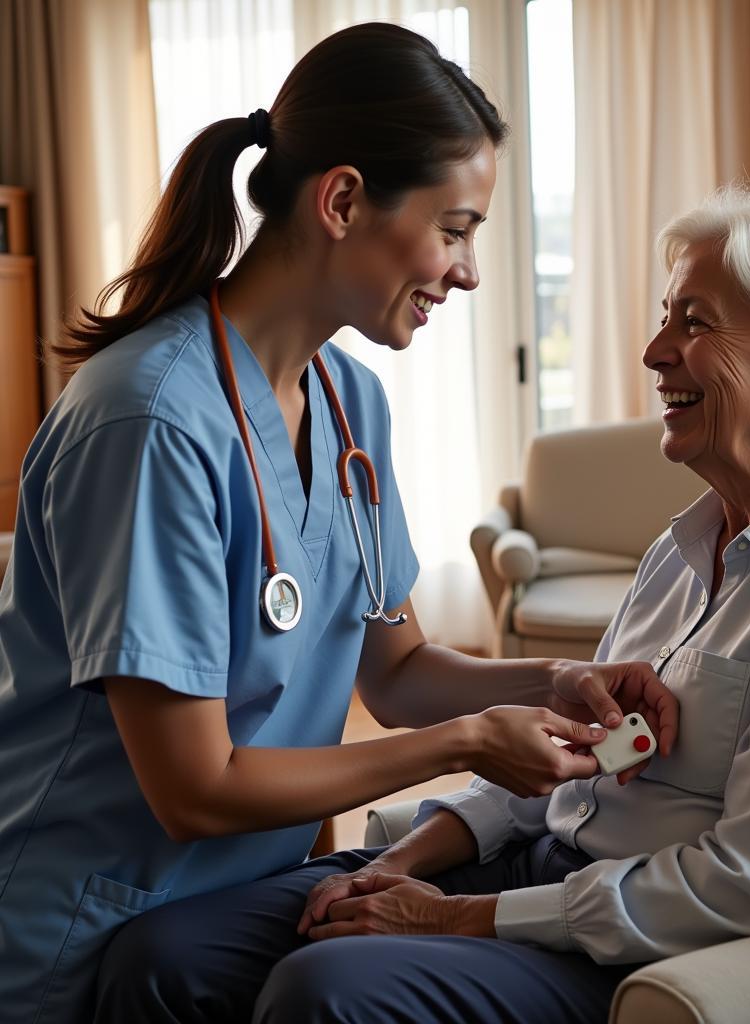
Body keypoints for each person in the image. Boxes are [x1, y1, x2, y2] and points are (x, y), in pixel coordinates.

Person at [94, 186, 750, 1023]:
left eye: (694, 322)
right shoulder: (691, 543)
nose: (653, 351)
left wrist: (452, 919)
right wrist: (401, 864)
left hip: (631, 942)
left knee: (325, 990)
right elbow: (551, 775)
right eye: (665, 315)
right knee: (163, 957)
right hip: (531, 868)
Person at [0, 23, 678, 1024]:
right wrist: (466, 743)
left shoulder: (347, 401)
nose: (469, 270)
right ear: (344, 200)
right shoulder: (147, 419)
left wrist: (554, 680)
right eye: (454, 228)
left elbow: (395, 671)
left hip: (220, 916)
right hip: (83, 928)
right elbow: (195, 787)